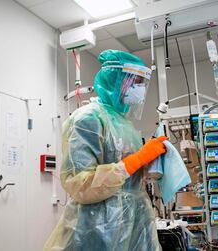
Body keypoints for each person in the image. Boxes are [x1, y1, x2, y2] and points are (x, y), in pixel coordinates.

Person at [44, 50, 166, 251]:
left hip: (133, 219)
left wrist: (149, 164)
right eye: (135, 81)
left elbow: (129, 177)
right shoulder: (88, 119)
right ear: (116, 80)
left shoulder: (125, 125)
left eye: (142, 83)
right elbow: (80, 185)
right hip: (95, 227)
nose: (140, 89)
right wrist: (135, 160)